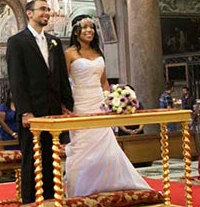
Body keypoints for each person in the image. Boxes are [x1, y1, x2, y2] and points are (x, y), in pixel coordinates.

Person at [64, 16, 150, 197]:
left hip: (98, 101)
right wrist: (65, 105)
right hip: (80, 102)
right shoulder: (70, 53)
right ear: (76, 31)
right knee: (83, 145)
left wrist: (111, 99)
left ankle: (111, 182)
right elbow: (63, 81)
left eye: (92, 28)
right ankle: (81, 187)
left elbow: (104, 81)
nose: (89, 31)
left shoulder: (99, 52)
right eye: (85, 27)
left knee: (105, 142)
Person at [7, 0, 74, 203]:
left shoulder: (54, 42)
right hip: (32, 111)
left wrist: (66, 104)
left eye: (48, 9)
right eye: (42, 9)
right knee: (32, 159)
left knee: (51, 157)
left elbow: (61, 76)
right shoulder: (17, 42)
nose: (47, 13)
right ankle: (31, 205)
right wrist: (25, 110)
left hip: (53, 108)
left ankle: (52, 201)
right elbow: (16, 79)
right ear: (30, 13)